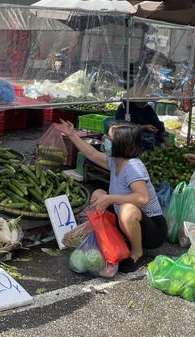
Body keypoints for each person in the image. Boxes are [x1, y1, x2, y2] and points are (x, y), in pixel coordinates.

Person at [55, 119, 167, 273]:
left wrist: (111, 198)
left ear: (122, 142)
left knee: (127, 210)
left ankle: (137, 252)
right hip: (129, 220)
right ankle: (122, 238)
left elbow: (143, 198)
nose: (105, 141)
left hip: (153, 230)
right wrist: (72, 134)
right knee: (97, 194)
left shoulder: (133, 166)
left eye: (109, 138)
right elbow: (91, 153)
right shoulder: (116, 161)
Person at [115, 85, 169, 151]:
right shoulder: (124, 108)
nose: (145, 102)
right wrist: (143, 127)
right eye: (142, 100)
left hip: (148, 140)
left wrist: (165, 139)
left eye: (146, 100)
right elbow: (124, 129)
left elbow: (157, 124)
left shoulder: (148, 109)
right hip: (130, 141)